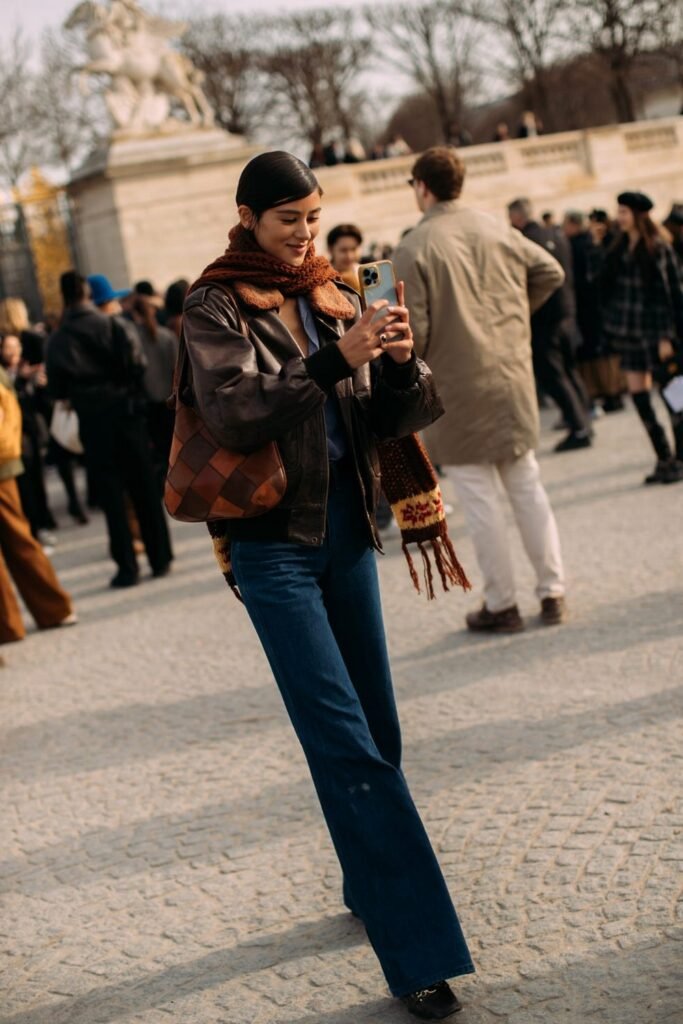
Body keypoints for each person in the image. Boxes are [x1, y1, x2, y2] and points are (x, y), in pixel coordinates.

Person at [182, 150, 474, 1020]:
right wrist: (330, 360)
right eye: (287, 220)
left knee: (377, 734)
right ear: (247, 216)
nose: (306, 233)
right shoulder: (214, 301)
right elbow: (232, 408)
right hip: (272, 548)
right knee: (343, 742)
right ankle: (418, 951)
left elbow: (398, 415)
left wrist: (392, 361)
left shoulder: (333, 290)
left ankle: (368, 879)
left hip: (348, 532)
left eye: (313, 216)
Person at [394, 146, 567, 632]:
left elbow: (418, 333)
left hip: (456, 382)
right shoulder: (496, 226)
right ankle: (553, 591)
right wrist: (512, 318)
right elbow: (550, 271)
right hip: (509, 370)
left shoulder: (415, 246)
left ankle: (503, 601)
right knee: (526, 483)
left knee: (479, 497)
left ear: (422, 186)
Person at [47, 272, 174, 586]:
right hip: (127, 415)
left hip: (92, 421)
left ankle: (126, 566)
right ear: (87, 293)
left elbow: (57, 389)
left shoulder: (59, 339)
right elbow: (137, 365)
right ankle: (160, 556)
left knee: (112, 498)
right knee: (144, 488)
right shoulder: (113, 325)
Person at [587, 191, 683, 485]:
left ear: (638, 215)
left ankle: (679, 459)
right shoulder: (617, 247)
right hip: (630, 334)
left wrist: (668, 336)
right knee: (640, 399)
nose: (619, 217)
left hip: (656, 334)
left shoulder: (657, 247)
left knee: (674, 399)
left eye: (624, 212)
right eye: (619, 212)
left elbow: (671, 295)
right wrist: (598, 245)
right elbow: (599, 284)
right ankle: (664, 457)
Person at [0, 361, 76, 644]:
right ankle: (52, 610)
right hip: (5, 466)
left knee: (19, 538)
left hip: (2, 467)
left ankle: (9, 625)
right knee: (20, 538)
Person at [508, 197, 593, 451]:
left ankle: (579, 426)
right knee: (569, 369)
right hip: (567, 310)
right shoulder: (556, 234)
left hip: (545, 317)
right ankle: (584, 418)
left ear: (516, 217)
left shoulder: (525, 241)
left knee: (554, 374)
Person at [563, 210, 624, 414]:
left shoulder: (579, 246)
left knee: (596, 350)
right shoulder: (592, 243)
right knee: (602, 349)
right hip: (599, 306)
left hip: (590, 307)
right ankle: (612, 393)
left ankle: (607, 392)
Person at [130, 292, 178, 492]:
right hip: (169, 400)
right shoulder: (167, 336)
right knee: (173, 447)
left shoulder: (133, 339)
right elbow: (177, 368)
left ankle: (163, 485)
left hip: (148, 401)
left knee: (156, 449)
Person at [327, 223, 363, 290]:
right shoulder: (324, 278)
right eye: (343, 250)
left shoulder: (363, 274)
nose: (349, 256)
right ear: (330, 250)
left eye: (353, 249)